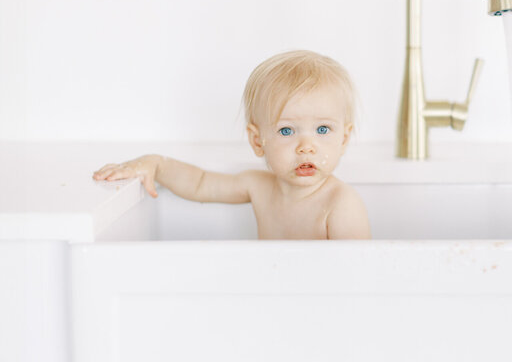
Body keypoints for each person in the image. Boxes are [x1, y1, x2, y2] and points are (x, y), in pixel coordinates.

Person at [92, 50, 371, 240]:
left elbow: (360, 278)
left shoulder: (340, 204)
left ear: (344, 139)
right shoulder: (259, 186)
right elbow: (200, 183)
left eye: (322, 129)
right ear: (257, 141)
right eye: (286, 130)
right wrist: (157, 165)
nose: (306, 146)